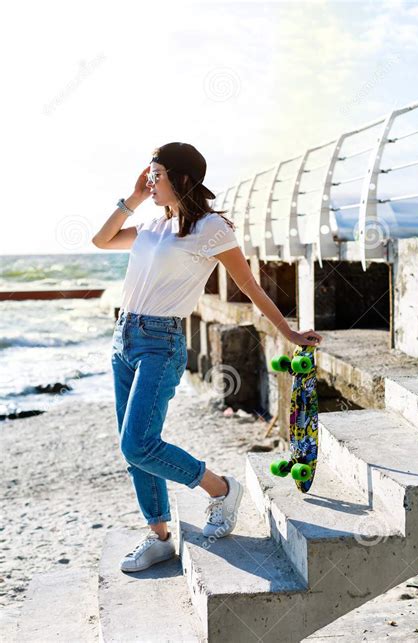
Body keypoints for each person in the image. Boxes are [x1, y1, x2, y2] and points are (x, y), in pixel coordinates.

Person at [92, 142, 322, 572]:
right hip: (123, 339)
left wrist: (288, 332)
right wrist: (134, 198)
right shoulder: (155, 223)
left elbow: (252, 287)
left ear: (181, 179)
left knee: (138, 443)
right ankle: (159, 535)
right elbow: (101, 239)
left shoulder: (211, 228)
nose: (149, 181)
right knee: (135, 449)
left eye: (155, 174)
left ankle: (220, 489)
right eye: (148, 174)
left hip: (160, 343)